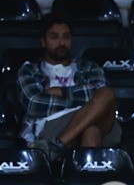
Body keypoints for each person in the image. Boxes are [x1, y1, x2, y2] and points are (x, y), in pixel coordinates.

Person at [17, 13, 120, 160]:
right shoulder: (30, 71)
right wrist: (89, 105)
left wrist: (61, 92)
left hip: (99, 123)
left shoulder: (88, 67)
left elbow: (102, 95)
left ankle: (57, 146)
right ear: (43, 41)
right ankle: (88, 180)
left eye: (66, 37)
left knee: (106, 94)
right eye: (54, 37)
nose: (61, 43)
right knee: (91, 131)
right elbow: (34, 104)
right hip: (53, 124)